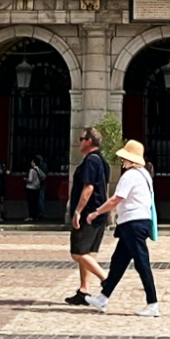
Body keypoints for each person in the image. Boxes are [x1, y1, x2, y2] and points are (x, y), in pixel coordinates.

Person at [83, 138, 160, 317]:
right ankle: (103, 298)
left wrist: (96, 212)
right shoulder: (144, 174)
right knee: (118, 262)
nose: (122, 161)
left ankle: (153, 303)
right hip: (134, 223)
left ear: (131, 159)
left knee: (142, 263)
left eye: (125, 158)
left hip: (133, 223)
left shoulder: (130, 175)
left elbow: (116, 199)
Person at [64, 127, 111, 306]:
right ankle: (83, 291)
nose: (79, 142)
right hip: (97, 213)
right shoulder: (102, 160)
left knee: (77, 253)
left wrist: (77, 211)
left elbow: (89, 187)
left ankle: (106, 280)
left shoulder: (91, 161)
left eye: (82, 138)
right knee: (86, 253)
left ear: (89, 141)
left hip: (88, 214)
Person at [25, 155, 46, 223]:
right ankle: (36, 216)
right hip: (37, 188)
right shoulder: (38, 169)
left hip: (31, 188)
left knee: (31, 203)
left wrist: (26, 180)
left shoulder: (32, 170)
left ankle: (31, 216)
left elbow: (30, 180)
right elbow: (44, 176)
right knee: (36, 203)